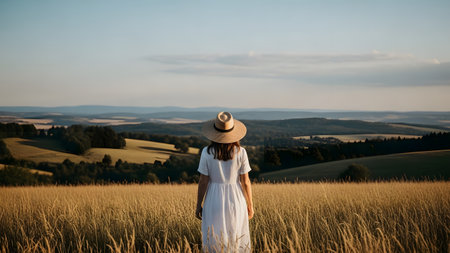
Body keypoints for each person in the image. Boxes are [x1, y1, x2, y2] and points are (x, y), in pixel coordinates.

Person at [195, 111, 254, 252]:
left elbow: (203, 181)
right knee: (236, 237)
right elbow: (245, 181)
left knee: (214, 239)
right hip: (237, 199)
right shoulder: (241, 152)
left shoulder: (206, 152)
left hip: (213, 199)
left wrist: (198, 205)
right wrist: (250, 205)